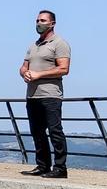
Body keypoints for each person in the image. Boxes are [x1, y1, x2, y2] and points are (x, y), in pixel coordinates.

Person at [19, 10, 71, 179]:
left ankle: (60, 167)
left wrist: (39, 75)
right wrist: (24, 72)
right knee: (37, 132)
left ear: (52, 23)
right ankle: (43, 165)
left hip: (50, 95)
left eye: (42, 20)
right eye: (37, 20)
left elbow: (64, 68)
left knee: (55, 131)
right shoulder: (33, 45)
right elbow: (24, 66)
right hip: (33, 95)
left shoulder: (59, 43)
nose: (38, 23)